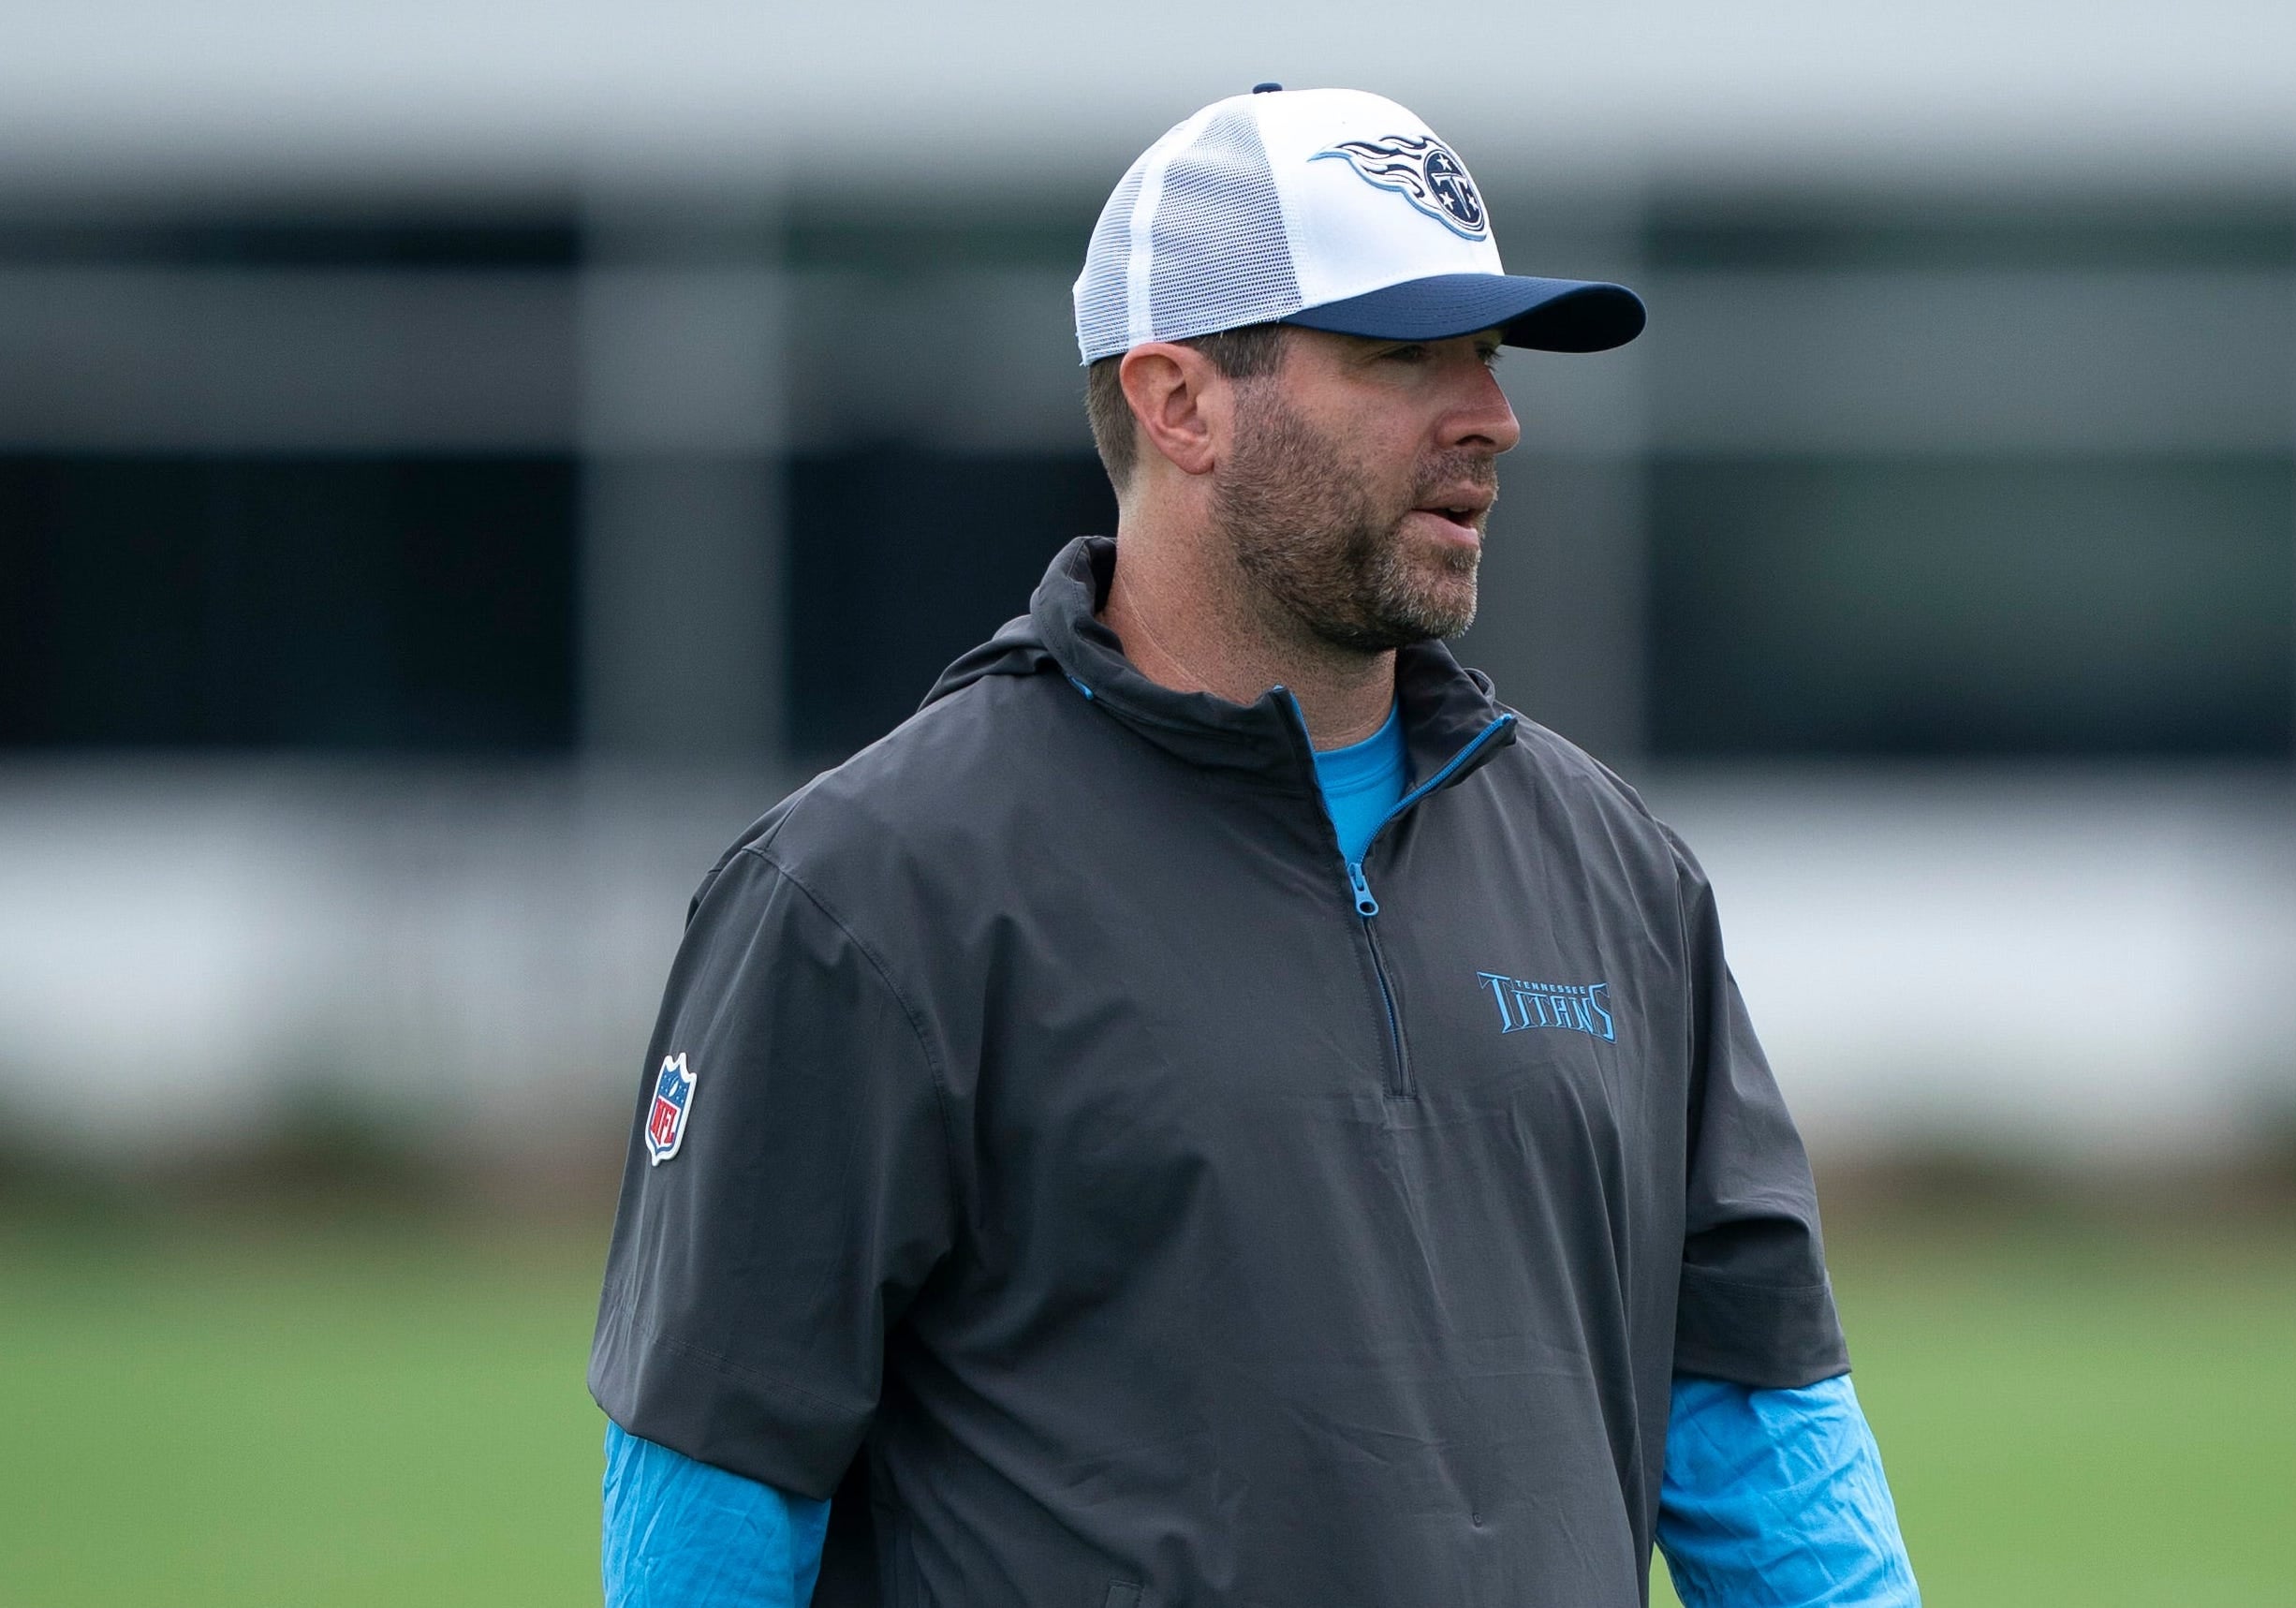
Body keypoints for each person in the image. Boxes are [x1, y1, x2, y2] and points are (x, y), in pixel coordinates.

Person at [592, 85, 1919, 1608]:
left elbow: (1759, 1426)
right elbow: (712, 1515)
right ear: (1178, 402)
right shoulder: (863, 894)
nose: (1488, 412)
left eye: (1483, 354)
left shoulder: (1614, 874)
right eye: (1402, 354)